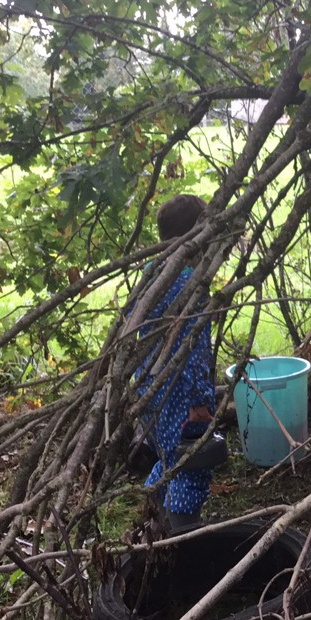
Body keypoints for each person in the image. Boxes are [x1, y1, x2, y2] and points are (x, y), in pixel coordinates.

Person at [134, 193, 217, 530]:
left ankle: (153, 517)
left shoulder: (152, 274)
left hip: (149, 390)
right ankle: (183, 530)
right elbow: (194, 350)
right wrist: (199, 402)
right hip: (181, 395)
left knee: (170, 457)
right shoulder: (190, 286)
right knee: (192, 461)